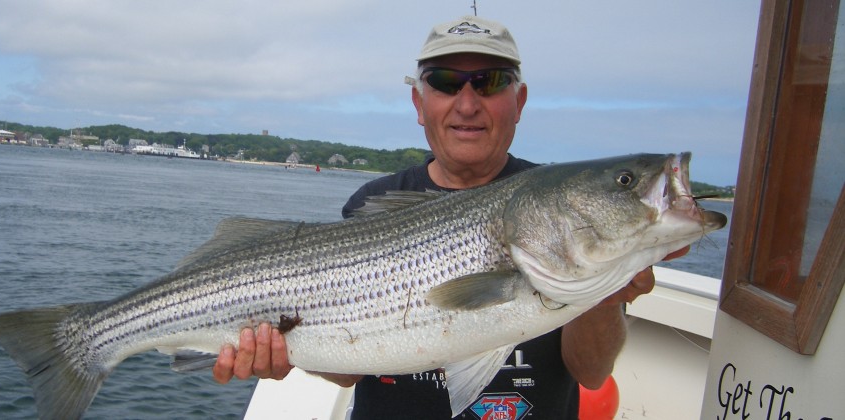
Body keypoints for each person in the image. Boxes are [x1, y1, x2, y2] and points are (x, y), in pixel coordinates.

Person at [212, 15, 689, 419]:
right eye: (444, 82)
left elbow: (590, 372)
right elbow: (347, 366)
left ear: (519, 103)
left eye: (491, 81)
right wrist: (289, 353)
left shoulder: (556, 205)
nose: (467, 103)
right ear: (420, 105)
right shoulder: (375, 200)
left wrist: (605, 297)